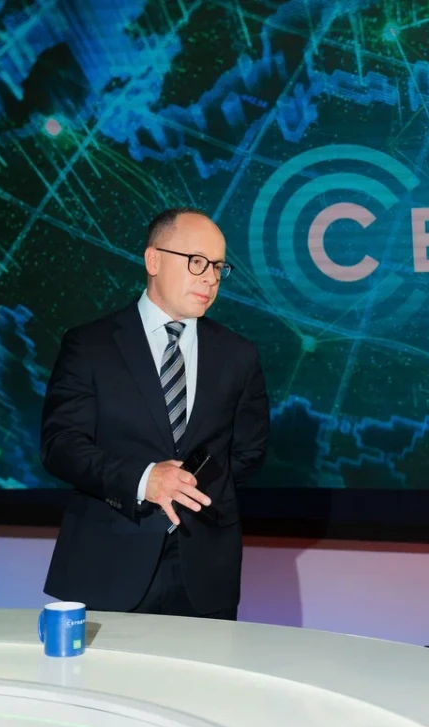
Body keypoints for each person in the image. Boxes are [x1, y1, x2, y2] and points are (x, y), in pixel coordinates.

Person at [39, 208, 269, 620]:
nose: (210, 278)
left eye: (218, 267)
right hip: (108, 563)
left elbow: (247, 453)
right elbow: (61, 446)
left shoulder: (239, 355)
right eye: (197, 262)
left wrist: (195, 490)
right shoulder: (90, 345)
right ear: (153, 260)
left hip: (205, 572)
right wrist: (146, 480)